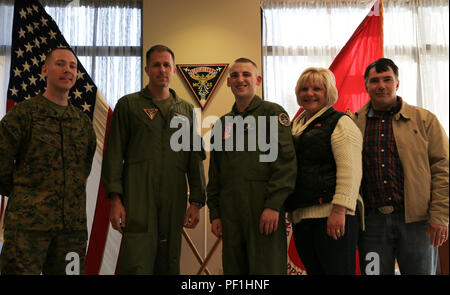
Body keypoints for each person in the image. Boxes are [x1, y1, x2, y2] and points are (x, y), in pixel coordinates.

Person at [101, 45, 206, 275]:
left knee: (169, 261)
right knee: (137, 261)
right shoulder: (129, 105)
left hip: (173, 195)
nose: (162, 70)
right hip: (138, 196)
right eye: (156, 65)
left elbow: (194, 156)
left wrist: (196, 201)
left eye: (166, 65)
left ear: (174, 70)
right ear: (147, 69)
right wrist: (115, 200)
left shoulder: (186, 110)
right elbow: (114, 154)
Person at [0, 48, 97, 274]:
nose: (67, 70)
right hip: (27, 229)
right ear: (45, 69)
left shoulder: (82, 123)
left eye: (72, 66)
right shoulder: (23, 114)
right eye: (60, 64)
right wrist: (25, 197)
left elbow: (83, 170)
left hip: (71, 231)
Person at [353, 58, 449, 275]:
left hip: (418, 224)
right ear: (366, 86)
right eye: (374, 81)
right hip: (371, 226)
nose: (381, 85)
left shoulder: (425, 120)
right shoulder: (354, 123)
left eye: (387, 79)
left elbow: (444, 170)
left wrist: (440, 216)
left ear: (397, 83)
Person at [206, 58, 297, 274]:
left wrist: (273, 205)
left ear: (257, 79)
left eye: (246, 74)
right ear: (228, 82)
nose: (240, 80)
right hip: (231, 212)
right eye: (235, 76)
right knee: (234, 271)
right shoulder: (222, 123)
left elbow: (286, 164)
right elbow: (216, 172)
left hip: (262, 210)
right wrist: (215, 213)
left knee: (266, 269)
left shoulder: (273, 114)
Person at [284, 67, 363, 275]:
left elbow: (351, 171)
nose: (309, 93)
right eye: (304, 88)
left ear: (328, 93)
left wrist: (339, 210)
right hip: (302, 217)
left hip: (333, 216)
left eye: (317, 88)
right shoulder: (294, 126)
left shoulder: (341, 123)